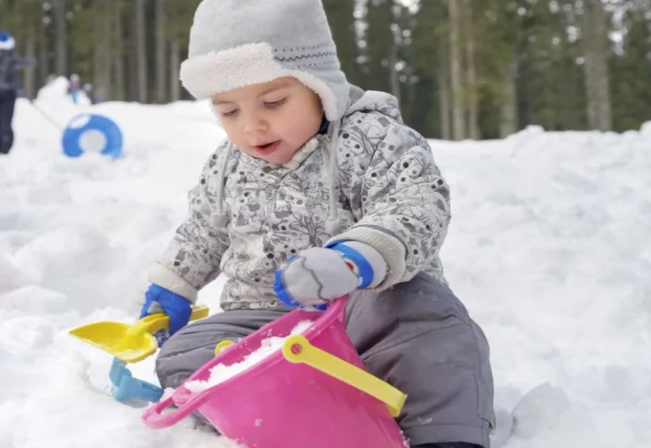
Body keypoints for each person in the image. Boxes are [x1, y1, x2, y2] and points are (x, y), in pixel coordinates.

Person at [138, 1, 495, 447]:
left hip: (367, 312)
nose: (252, 126)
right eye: (228, 111)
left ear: (319, 86)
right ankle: (293, 420)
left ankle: (442, 433)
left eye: (273, 101)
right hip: (266, 330)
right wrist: (172, 285)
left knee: (430, 321)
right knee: (186, 354)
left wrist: (356, 259)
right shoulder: (227, 165)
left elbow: (416, 203)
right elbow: (202, 231)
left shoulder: (371, 140)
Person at [0, 31, 36, 157]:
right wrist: (21, 91)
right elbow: (16, 78)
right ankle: (5, 147)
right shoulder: (12, 61)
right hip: (8, 94)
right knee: (6, 122)